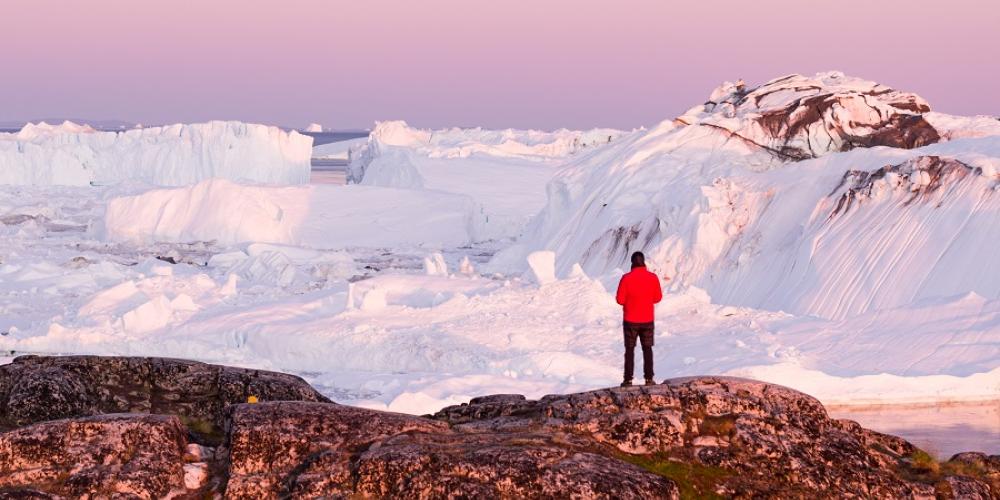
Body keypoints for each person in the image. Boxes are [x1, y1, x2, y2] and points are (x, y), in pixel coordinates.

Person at [615, 251, 663, 387]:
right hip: (647, 320)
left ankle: (628, 379)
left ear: (632, 263)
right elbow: (658, 297)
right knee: (647, 349)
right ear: (644, 262)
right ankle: (649, 379)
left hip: (630, 320)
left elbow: (620, 299)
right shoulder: (652, 277)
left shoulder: (626, 278)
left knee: (629, 350)